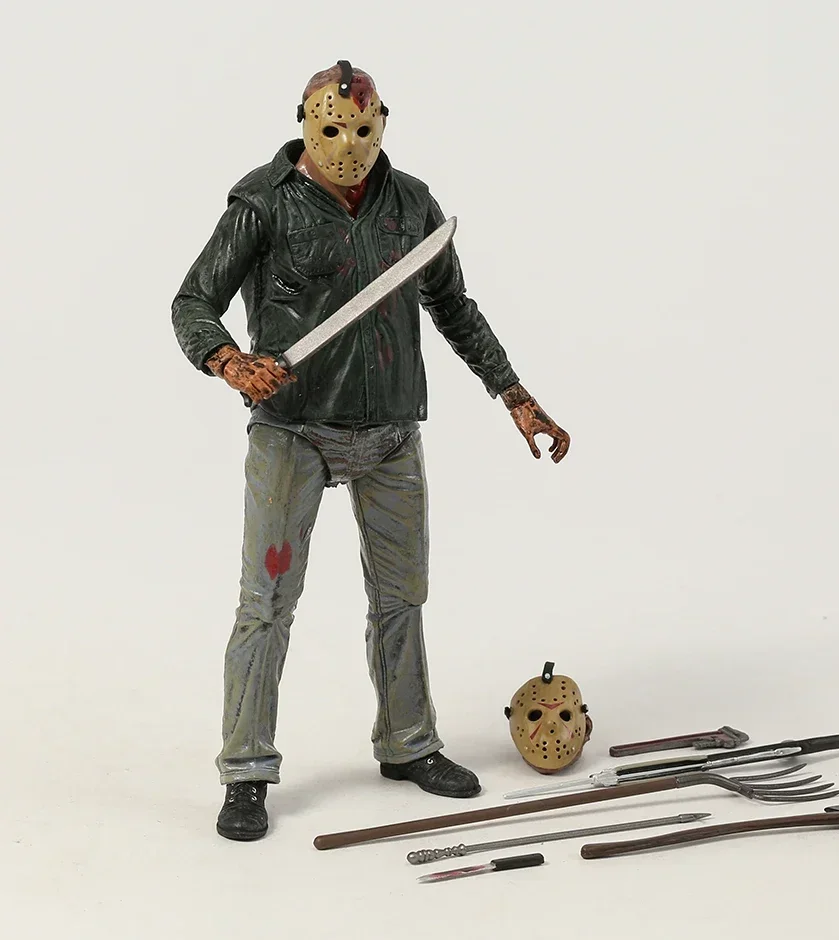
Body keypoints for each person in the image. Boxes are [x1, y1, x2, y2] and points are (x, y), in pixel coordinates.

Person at [171, 61, 570, 841]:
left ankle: (409, 742)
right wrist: (230, 361)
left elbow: (454, 306)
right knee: (266, 603)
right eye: (331, 128)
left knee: (402, 595)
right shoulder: (261, 203)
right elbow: (192, 302)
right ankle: (245, 770)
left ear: (383, 122)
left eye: (361, 127)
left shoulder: (413, 205)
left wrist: (515, 395)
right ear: (303, 124)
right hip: (292, 431)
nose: (348, 144)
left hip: (390, 433)